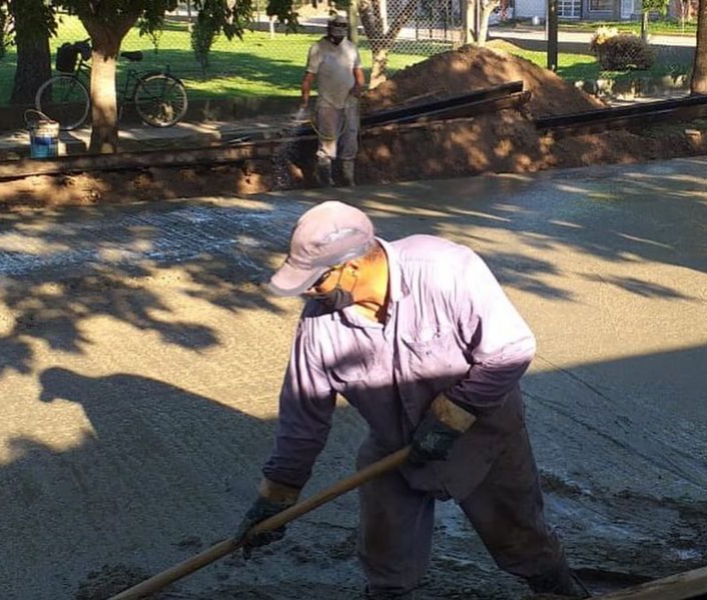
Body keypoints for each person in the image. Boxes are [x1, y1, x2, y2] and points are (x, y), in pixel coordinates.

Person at [236, 201, 590, 599]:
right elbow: (303, 418)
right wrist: (277, 497)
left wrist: (450, 416)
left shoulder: (446, 271)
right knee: (386, 567)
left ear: (351, 266)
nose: (310, 293)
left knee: (523, 544)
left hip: (484, 439)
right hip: (395, 450)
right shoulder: (319, 326)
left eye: (316, 281)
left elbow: (511, 348)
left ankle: (560, 591)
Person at [301, 14, 365, 187]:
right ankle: (325, 179)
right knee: (328, 140)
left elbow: (358, 73)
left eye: (342, 30)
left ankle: (347, 177)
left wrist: (359, 87)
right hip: (328, 102)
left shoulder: (351, 48)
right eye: (335, 30)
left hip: (349, 102)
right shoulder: (318, 48)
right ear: (329, 29)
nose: (338, 35)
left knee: (350, 139)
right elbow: (309, 77)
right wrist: (305, 101)